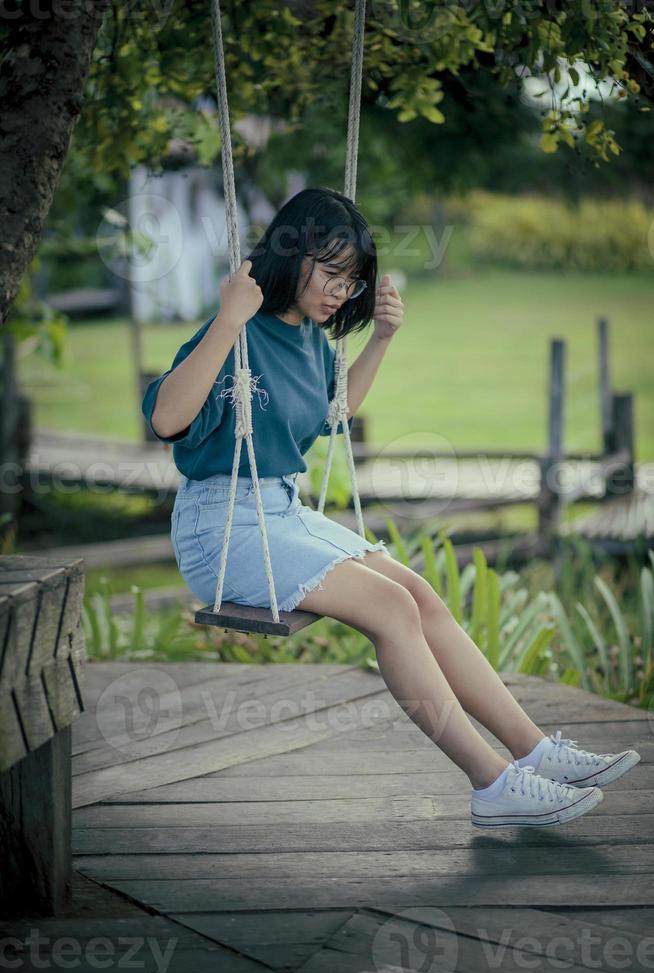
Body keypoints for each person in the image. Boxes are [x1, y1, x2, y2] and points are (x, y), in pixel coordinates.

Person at [142, 186, 640, 829]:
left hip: (281, 512)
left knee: (418, 593)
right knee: (391, 607)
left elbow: (332, 416)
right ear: (290, 254)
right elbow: (165, 419)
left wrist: (381, 338)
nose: (338, 292)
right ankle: (493, 787)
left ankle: (537, 752)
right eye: (329, 273)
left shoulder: (310, 339)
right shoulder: (237, 331)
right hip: (221, 527)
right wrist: (228, 320)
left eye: (350, 281)